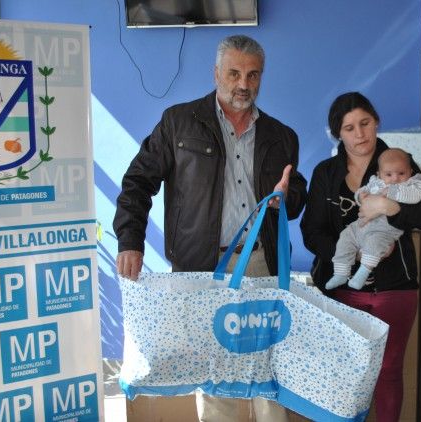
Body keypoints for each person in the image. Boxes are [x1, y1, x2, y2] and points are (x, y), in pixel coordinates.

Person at [113, 35, 307, 422]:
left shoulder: (281, 136)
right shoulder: (178, 122)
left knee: (268, 372)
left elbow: (295, 198)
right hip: (203, 269)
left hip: (262, 267)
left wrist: (288, 197)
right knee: (216, 376)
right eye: (234, 73)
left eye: (253, 75)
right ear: (216, 73)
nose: (243, 84)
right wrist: (130, 240)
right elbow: (138, 182)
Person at [300, 92, 421, 421]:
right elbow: (312, 231)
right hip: (341, 290)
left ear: (376, 121)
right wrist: (349, 256)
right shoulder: (326, 173)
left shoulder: (397, 162)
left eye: (365, 123)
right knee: (346, 372)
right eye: (349, 128)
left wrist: (391, 208)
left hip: (395, 288)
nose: (360, 134)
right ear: (338, 134)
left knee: (389, 370)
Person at [326, 148, 421, 290]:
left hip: (384, 230)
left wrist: (391, 192)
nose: (395, 178)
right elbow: (364, 190)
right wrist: (360, 196)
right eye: (389, 174)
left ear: (410, 172)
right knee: (345, 238)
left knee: (374, 245)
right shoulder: (376, 182)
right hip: (361, 226)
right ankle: (341, 272)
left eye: (401, 173)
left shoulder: (412, 184)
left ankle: (362, 273)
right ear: (379, 174)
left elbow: (415, 197)